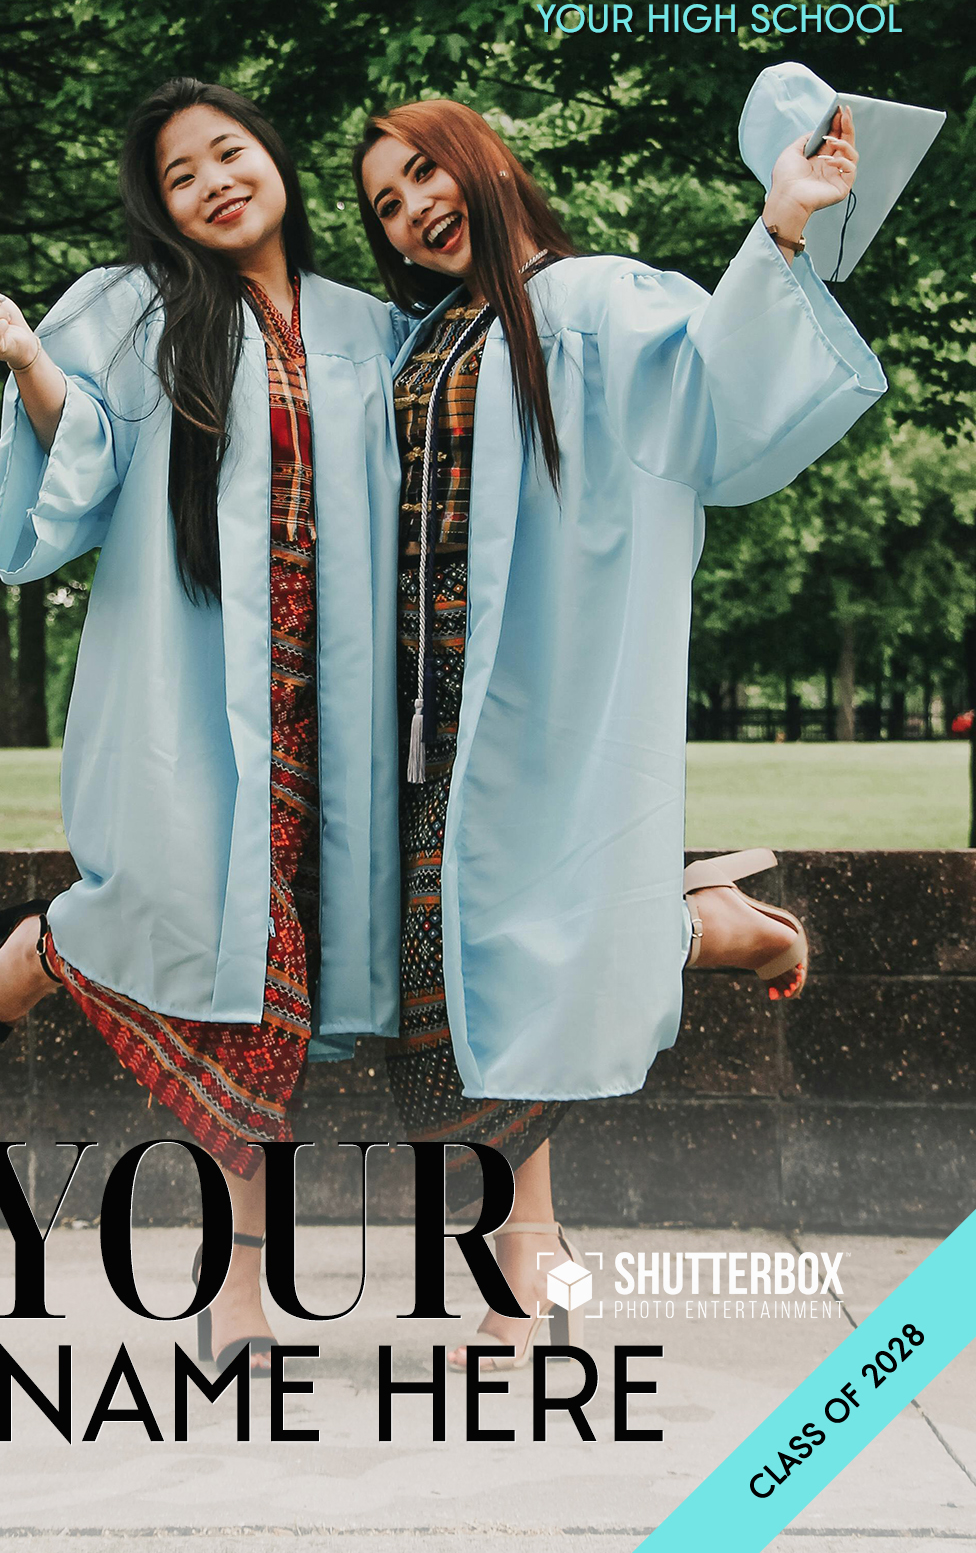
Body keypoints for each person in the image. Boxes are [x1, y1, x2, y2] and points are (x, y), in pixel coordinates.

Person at [354, 92, 881, 1369]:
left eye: (426, 174)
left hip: (541, 684)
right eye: (385, 203)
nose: (415, 210)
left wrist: (782, 233)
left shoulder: (596, 301)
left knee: (518, 954)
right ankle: (706, 922)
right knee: (450, 990)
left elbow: (715, 405)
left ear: (483, 167)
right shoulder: (414, 333)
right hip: (417, 710)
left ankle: (524, 1256)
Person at [0, 78, 405, 1376]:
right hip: (202, 707)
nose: (212, 179)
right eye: (179, 172)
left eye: (228, 149)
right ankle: (243, 1290)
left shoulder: (375, 326)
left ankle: (47, 947)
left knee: (280, 1007)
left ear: (274, 154)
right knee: (232, 1005)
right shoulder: (134, 312)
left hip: (346, 720)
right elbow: (81, 461)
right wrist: (30, 358)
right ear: (161, 207)